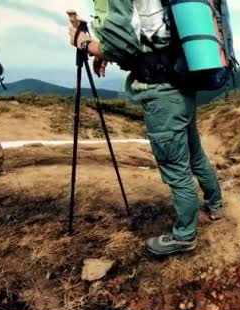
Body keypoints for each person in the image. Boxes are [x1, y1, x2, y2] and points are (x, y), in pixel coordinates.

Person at [69, 1, 231, 255]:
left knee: (177, 170)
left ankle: (184, 236)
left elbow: (120, 47)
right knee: (195, 154)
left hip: (161, 94)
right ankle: (216, 204)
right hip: (183, 83)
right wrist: (104, 52)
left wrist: (84, 43)